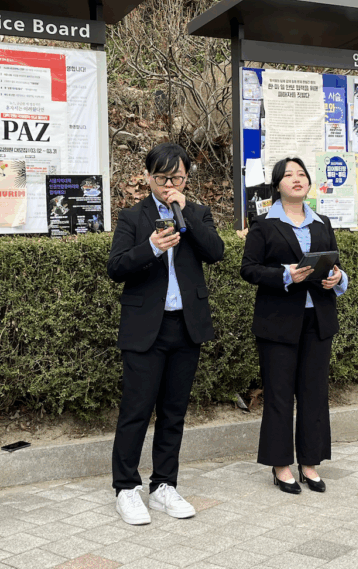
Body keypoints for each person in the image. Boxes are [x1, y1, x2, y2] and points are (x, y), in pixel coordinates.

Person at [107, 142, 224, 524]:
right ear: (148, 177)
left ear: (187, 179)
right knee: (136, 411)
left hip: (185, 327)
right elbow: (116, 267)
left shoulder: (197, 213)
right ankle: (126, 487)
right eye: (162, 178)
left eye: (177, 178)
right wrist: (152, 248)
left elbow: (216, 252)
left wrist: (186, 213)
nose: (169, 185)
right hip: (145, 329)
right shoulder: (132, 217)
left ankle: (163, 485)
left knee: (174, 412)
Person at [240, 157, 348, 494]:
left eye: (301, 174)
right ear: (277, 185)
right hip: (277, 322)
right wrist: (285, 275)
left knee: (314, 393)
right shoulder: (263, 224)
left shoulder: (322, 223)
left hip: (318, 319)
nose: (297, 179)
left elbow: (335, 264)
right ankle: (281, 465)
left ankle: (310, 463)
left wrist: (338, 278)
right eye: (288, 175)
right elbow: (249, 269)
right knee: (279, 394)